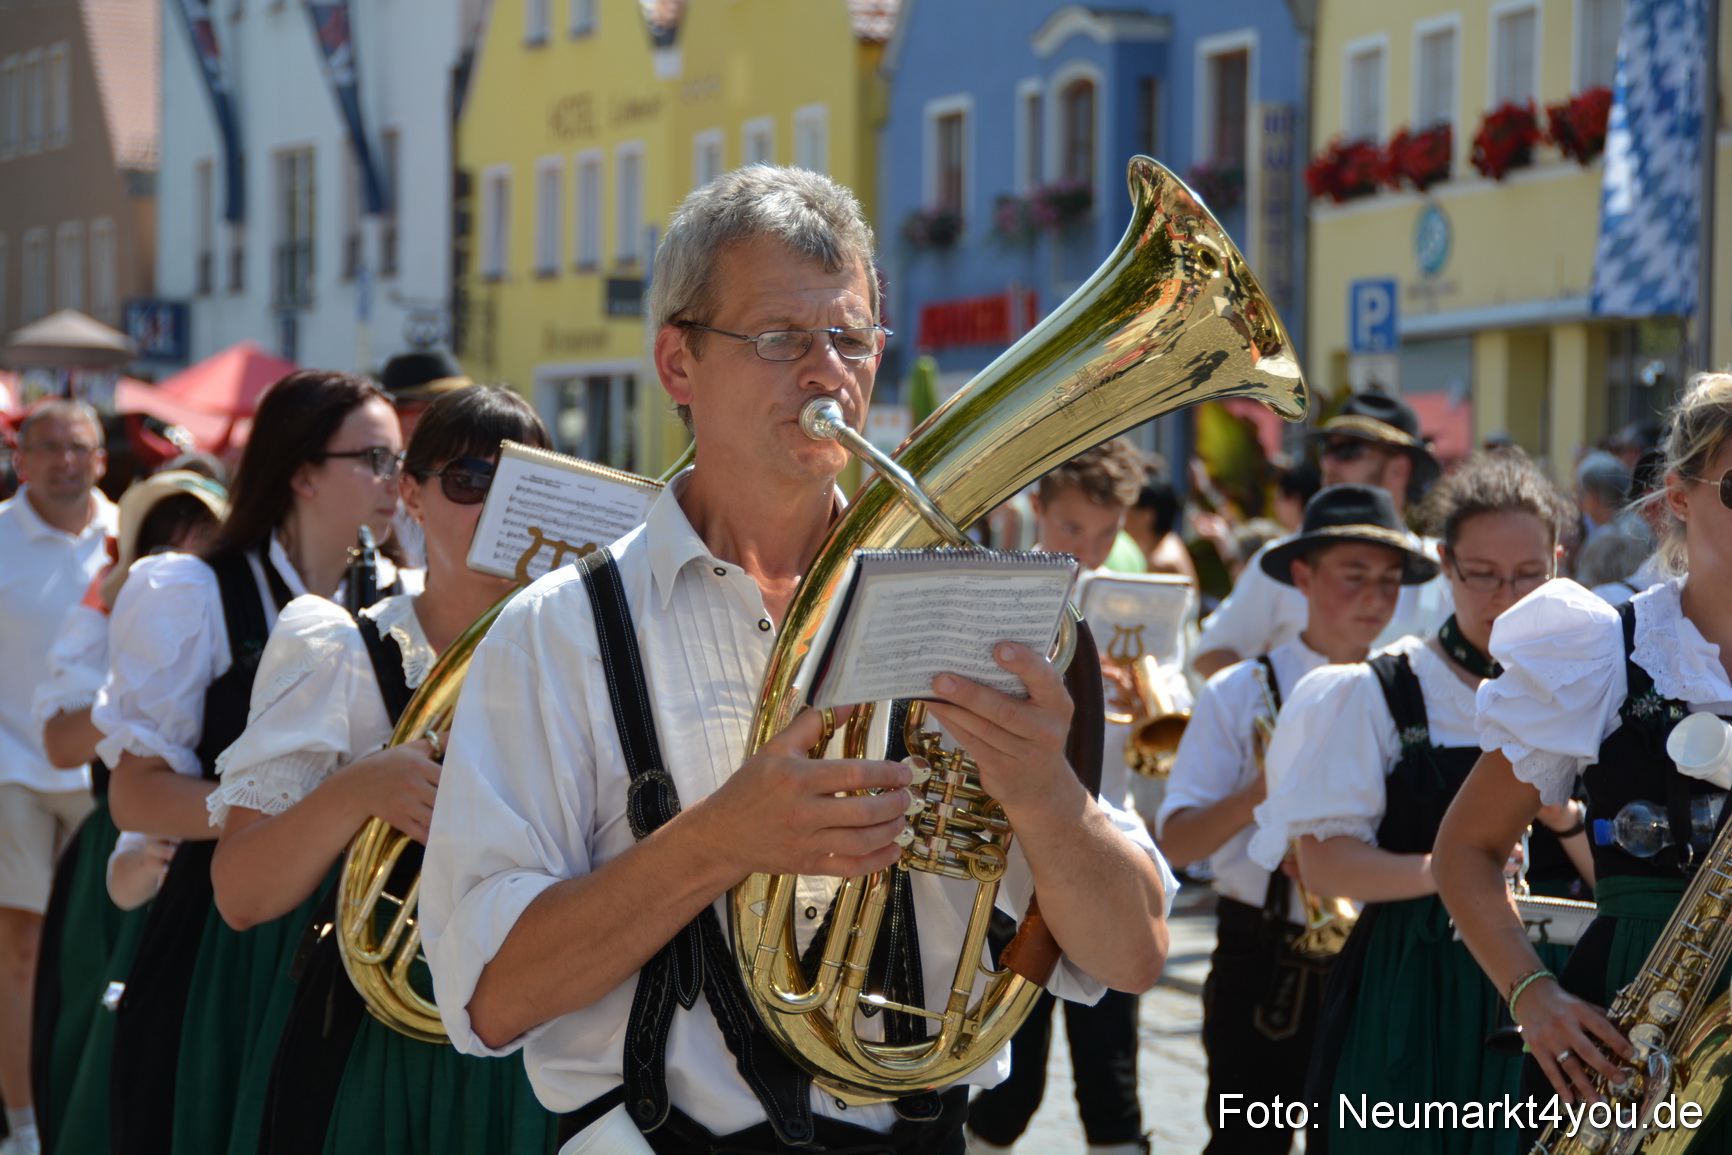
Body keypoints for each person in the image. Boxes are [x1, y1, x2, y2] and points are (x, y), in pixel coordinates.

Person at [420, 165, 1172, 1155]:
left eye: (850, 338)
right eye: (778, 338)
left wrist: (1046, 799)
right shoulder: (553, 630)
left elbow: (1132, 954)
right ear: (678, 365)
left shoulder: (965, 609)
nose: (826, 372)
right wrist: (714, 842)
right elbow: (489, 998)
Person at [208, 384, 558, 1154]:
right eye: (469, 479)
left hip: (549, 1051)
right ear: (411, 495)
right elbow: (240, 892)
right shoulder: (339, 648)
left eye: (524, 484)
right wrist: (358, 790)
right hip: (379, 1051)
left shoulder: (585, 662)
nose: (496, 506)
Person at [93, 371, 404, 1155]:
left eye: (402, 459)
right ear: (301, 471)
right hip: (222, 928)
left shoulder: (401, 596)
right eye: (373, 458)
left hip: (355, 936)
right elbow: (133, 795)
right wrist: (290, 819)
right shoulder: (192, 590)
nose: (394, 481)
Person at [1250, 455, 1582, 1155]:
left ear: (1558, 560)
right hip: (1420, 983)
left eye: (1528, 573)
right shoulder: (1383, 689)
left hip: (1562, 985)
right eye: (1483, 574)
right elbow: (1324, 863)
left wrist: (1563, 818)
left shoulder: (1594, 686)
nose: (1507, 596)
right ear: (1446, 564)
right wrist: (1454, 868)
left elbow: (1619, 867)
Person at [1435, 374, 1732, 1148]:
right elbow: (1465, 850)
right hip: (1636, 1029)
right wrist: (1532, 992)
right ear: (1678, 495)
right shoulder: (1603, 646)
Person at [1157, 483, 1431, 1155]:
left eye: (1391, 580)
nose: (1375, 596)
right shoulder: (1240, 690)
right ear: (1301, 577)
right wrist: (1268, 787)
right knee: (1247, 1143)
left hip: (1380, 953)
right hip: (1263, 955)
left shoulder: (1412, 686)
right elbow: (1176, 841)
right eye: (1355, 576)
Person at [967, 438, 1156, 1155]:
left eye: (1108, 532)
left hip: (1109, 848)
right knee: (1012, 1072)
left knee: (1113, 1075)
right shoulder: (1009, 598)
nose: (1092, 548)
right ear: (1037, 510)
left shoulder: (1132, 596)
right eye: (1073, 528)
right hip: (1019, 865)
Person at [30, 470, 226, 1155]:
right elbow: (57, 738)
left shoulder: (240, 601)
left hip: (204, 846)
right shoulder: (110, 604)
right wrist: (140, 700)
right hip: (120, 839)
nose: (187, 543)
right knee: (100, 1025)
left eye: (200, 525)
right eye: (168, 529)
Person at [0, 400, 117, 1155]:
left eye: (79, 447)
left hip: (107, 775)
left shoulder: (134, 534)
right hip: (10, 765)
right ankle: (25, 1122)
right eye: (49, 447)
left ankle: (88, 1101)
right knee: (22, 949)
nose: (66, 460)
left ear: (102, 458)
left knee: (102, 950)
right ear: (21, 458)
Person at [1192, 390, 1451, 679]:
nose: (1328, 464)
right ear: (1303, 577)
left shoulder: (1443, 570)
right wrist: (1275, 712)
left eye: (1348, 451)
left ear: (1398, 469)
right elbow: (1210, 654)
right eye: (1326, 450)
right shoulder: (1287, 557)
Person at [1121, 463, 1199, 590]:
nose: (1122, 519)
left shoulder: (1161, 563)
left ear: (1147, 516)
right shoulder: (1171, 541)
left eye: (1128, 510)